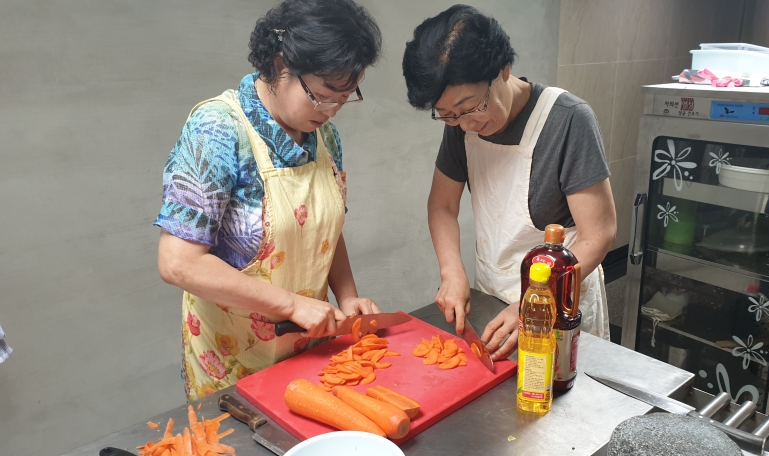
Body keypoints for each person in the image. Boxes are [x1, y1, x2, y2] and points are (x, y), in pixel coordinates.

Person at [155, 0, 382, 401]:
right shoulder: (217, 130)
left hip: (309, 347)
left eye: (345, 98)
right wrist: (291, 306)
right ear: (280, 66)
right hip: (233, 359)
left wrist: (347, 297)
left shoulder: (324, 136)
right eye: (323, 95)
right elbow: (178, 263)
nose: (332, 111)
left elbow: (324, 230)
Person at [402, 5, 617, 360]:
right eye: (448, 115)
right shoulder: (462, 125)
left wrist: (534, 302)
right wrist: (452, 271)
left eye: (471, 106)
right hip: (493, 297)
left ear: (503, 69)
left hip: (558, 299)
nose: (465, 124)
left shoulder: (568, 120)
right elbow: (442, 205)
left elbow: (600, 233)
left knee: (558, 385)